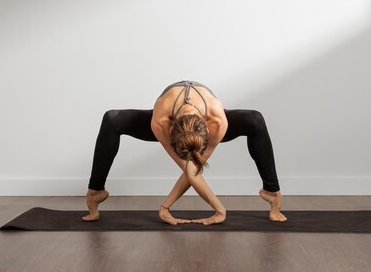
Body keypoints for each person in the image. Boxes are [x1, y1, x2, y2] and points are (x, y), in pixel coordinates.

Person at [82, 80, 287, 225]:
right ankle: (95, 192)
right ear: (171, 131)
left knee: (255, 120)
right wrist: (216, 208)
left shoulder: (217, 121)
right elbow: (190, 170)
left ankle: (272, 192)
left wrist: (167, 206)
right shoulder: (161, 122)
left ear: (208, 131)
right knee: (112, 119)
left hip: (202, 115)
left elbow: (193, 170)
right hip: (170, 112)